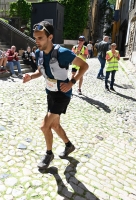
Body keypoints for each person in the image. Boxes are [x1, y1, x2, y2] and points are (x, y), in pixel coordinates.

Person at [23, 21, 88, 170]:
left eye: (40, 38)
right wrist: (30, 77)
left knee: (44, 126)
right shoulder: (39, 53)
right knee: (54, 125)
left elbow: (85, 66)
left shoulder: (63, 53)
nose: (37, 41)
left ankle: (48, 154)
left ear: (50, 37)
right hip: (50, 93)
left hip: (63, 95)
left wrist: (72, 82)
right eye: (35, 38)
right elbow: (41, 71)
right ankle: (69, 146)